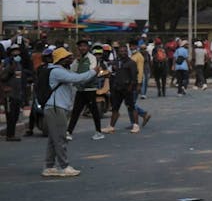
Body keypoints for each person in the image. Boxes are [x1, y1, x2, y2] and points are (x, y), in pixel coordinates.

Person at [43, 47, 105, 177]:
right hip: (56, 107)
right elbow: (78, 78)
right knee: (60, 138)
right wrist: (93, 71)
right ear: (61, 59)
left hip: (56, 107)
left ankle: (49, 166)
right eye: (67, 58)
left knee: (53, 139)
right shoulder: (57, 71)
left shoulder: (60, 70)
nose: (70, 59)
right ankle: (64, 166)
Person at [66, 39, 105, 140]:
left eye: (84, 46)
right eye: (80, 46)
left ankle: (98, 132)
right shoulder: (78, 59)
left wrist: (81, 79)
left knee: (94, 111)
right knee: (76, 111)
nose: (82, 48)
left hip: (90, 89)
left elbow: (93, 72)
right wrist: (77, 61)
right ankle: (69, 132)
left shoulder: (92, 58)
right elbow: (72, 70)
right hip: (80, 89)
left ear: (88, 47)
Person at [102, 44, 141, 134]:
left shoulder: (131, 63)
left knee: (131, 107)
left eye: (125, 51)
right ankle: (111, 127)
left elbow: (134, 77)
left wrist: (131, 87)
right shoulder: (117, 62)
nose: (123, 53)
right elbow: (110, 70)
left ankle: (136, 126)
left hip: (127, 89)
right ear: (118, 52)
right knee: (115, 108)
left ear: (127, 52)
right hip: (117, 88)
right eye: (121, 51)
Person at [1, 43, 31, 141]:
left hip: (18, 93)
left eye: (18, 51)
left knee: (16, 115)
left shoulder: (19, 64)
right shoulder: (8, 63)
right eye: (14, 51)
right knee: (10, 115)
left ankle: (12, 134)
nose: (16, 53)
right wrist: (10, 68)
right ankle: (10, 135)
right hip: (9, 94)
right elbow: (2, 76)